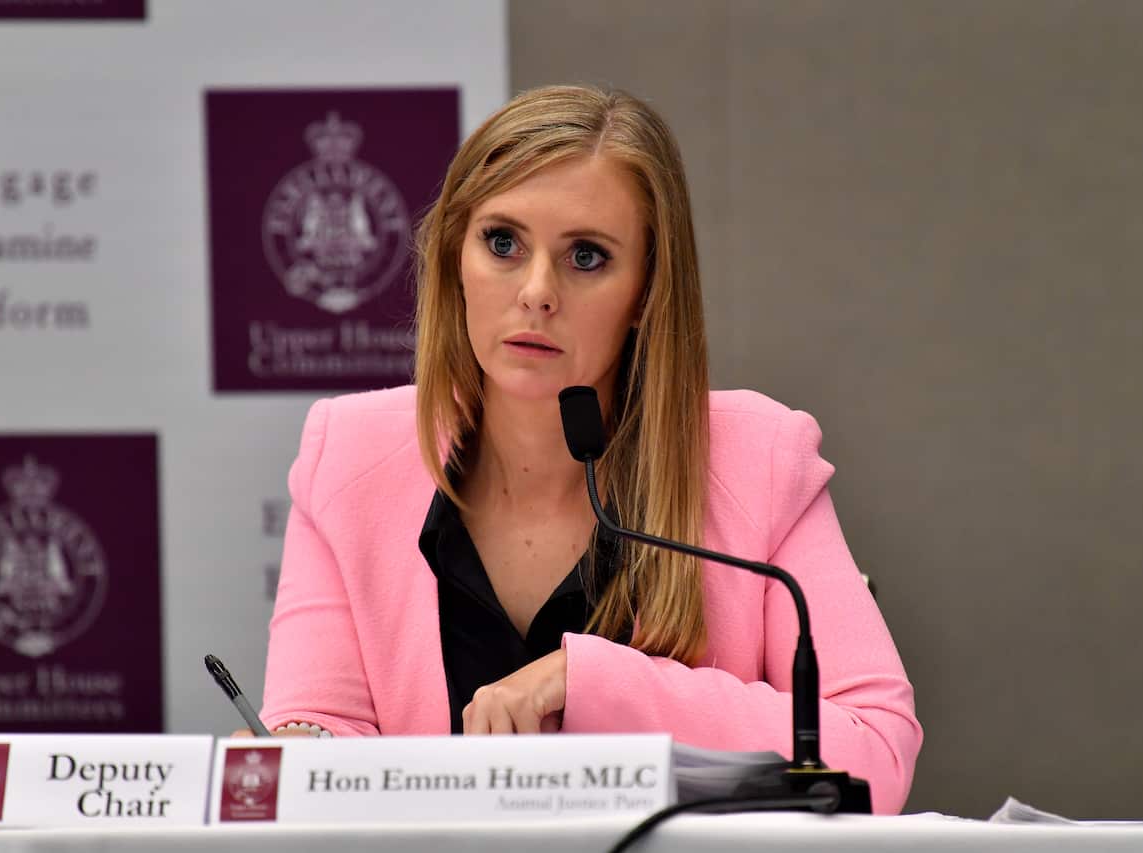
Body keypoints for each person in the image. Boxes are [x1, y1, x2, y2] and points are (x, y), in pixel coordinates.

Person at [257, 85, 922, 813]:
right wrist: (297, 748)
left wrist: (590, 682)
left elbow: (874, 753)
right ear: (455, 255)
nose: (537, 292)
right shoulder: (348, 455)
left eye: (586, 256)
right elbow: (322, 728)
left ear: (645, 292)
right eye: (503, 242)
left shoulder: (758, 458)